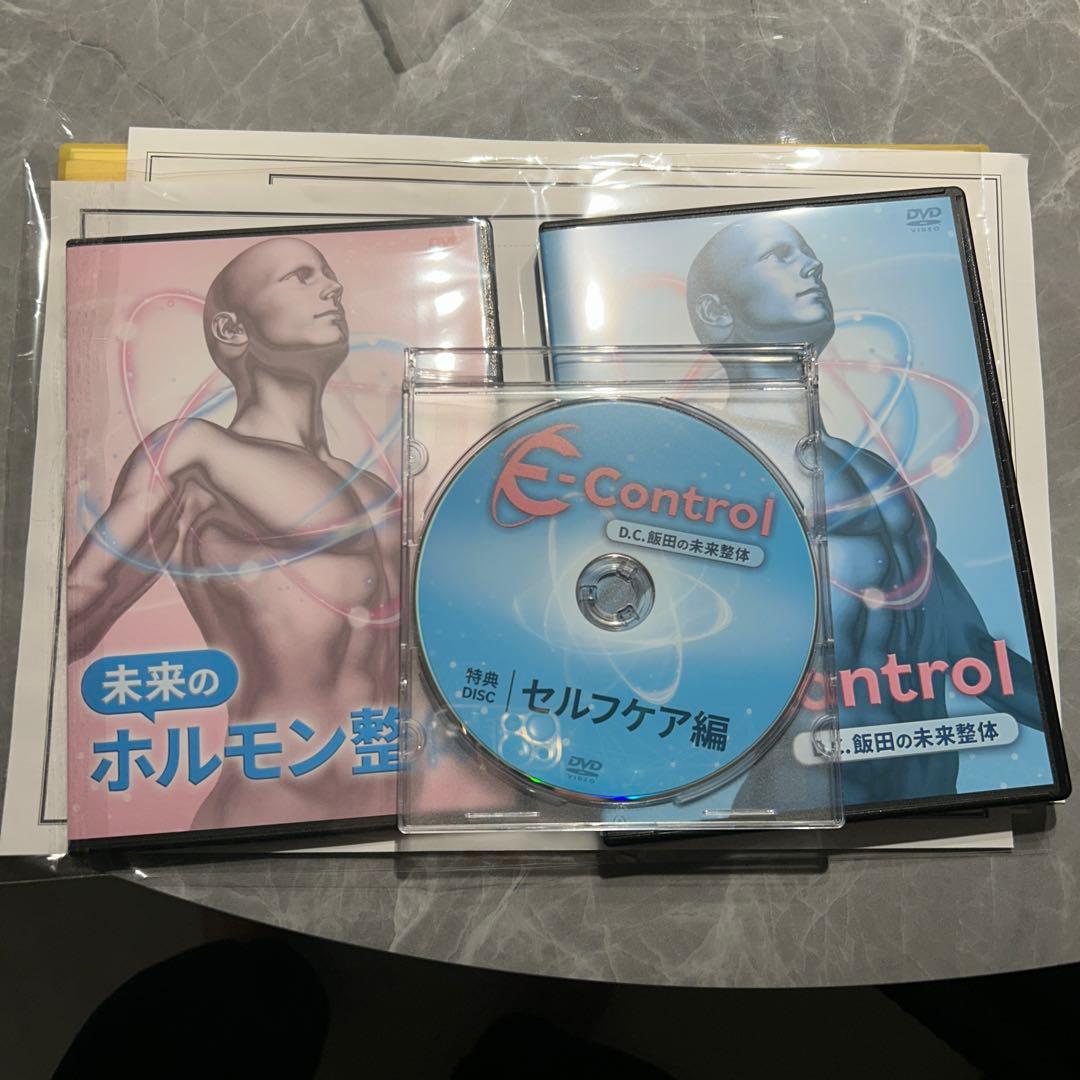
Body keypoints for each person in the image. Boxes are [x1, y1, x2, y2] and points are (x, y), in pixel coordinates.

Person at [686, 217, 1040, 803]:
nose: (813, 264)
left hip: (923, 793)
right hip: (804, 793)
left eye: (807, 251)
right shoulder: (701, 471)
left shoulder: (875, 475)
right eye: (778, 255)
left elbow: (972, 650)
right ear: (716, 312)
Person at [68, 237, 399, 828]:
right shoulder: (194, 453)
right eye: (301, 277)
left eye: (328, 274)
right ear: (231, 328)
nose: (333, 288)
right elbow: (80, 604)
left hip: (392, 812)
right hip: (266, 813)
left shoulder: (379, 491)